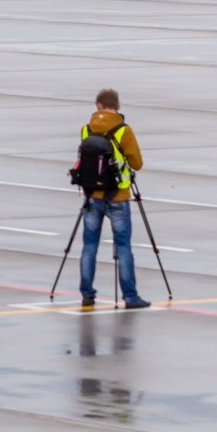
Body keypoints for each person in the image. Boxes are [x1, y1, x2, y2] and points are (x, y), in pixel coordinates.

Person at [78, 88, 150, 310]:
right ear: (117, 106)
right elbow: (137, 163)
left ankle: (87, 294)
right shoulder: (123, 130)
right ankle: (130, 296)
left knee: (89, 245)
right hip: (118, 197)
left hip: (91, 196)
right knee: (123, 246)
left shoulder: (86, 129)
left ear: (98, 105)